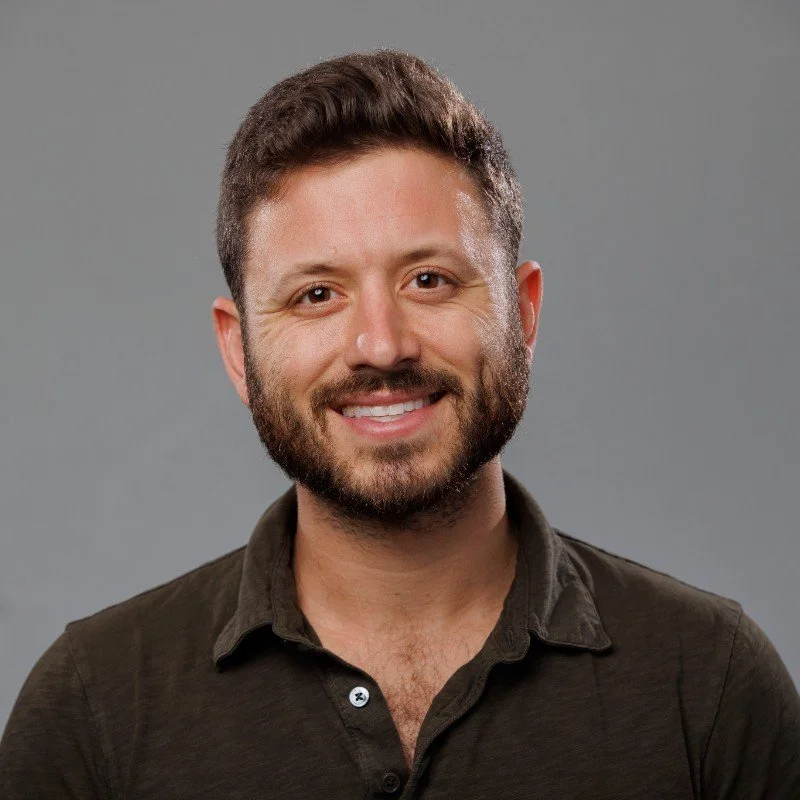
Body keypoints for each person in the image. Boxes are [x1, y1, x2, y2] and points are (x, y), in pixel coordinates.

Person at [1, 49, 798, 799]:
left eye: (429, 279)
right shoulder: (91, 705)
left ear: (522, 315)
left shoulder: (711, 683)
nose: (380, 345)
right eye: (317, 294)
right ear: (238, 351)